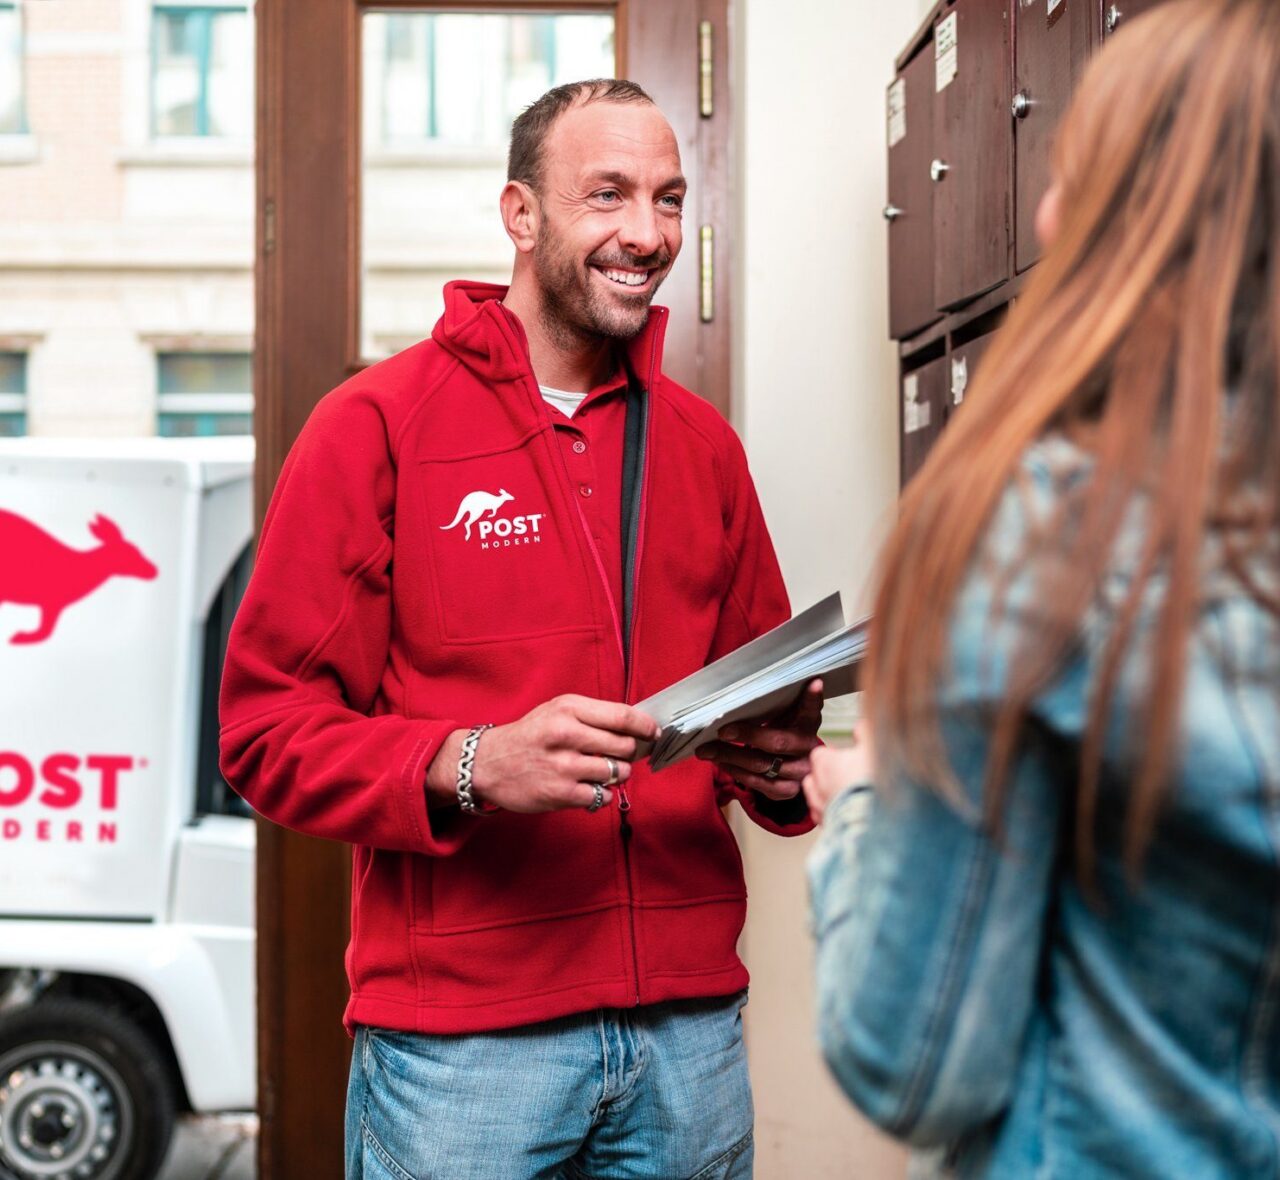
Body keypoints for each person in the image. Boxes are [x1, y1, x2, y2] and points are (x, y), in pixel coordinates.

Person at [219, 78, 823, 1179]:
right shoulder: (373, 427)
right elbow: (265, 731)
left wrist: (778, 768)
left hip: (688, 1045)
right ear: (521, 214)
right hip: (463, 1059)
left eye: (669, 199)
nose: (645, 234)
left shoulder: (703, 449)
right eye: (607, 196)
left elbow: (754, 711)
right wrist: (474, 762)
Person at [803, 1, 1280, 1176]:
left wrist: (865, 799)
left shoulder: (1051, 530)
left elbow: (910, 1061)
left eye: (1078, 172)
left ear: (1141, 221)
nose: (1046, 210)